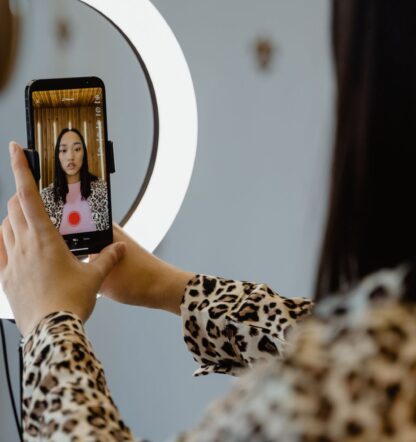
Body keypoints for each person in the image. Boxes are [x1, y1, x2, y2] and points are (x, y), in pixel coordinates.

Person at [2, 0, 416, 440]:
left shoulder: (346, 390)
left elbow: (342, 364)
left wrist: (50, 324)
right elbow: (332, 345)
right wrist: (170, 287)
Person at [40, 128, 109, 234]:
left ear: (84, 153)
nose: (70, 157)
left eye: (77, 149)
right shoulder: (46, 196)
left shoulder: (102, 189)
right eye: (63, 150)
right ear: (58, 156)